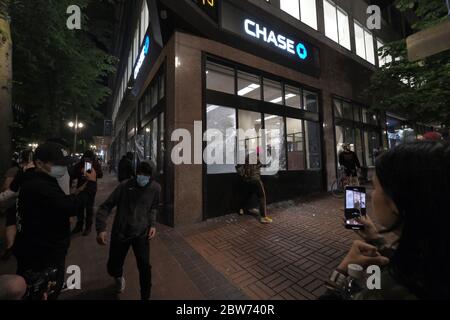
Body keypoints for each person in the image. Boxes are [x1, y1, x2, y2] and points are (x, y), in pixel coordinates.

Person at [323, 141, 450, 299]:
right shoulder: (433, 257)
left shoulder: (388, 290)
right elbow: (408, 263)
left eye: (375, 187)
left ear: (395, 202)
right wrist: (377, 240)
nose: (371, 194)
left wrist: (340, 273)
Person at [13, 142, 97, 300]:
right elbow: (70, 207)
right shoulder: (40, 186)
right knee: (44, 291)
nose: (62, 168)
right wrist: (91, 184)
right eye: (57, 164)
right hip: (43, 255)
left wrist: (79, 189)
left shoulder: (33, 180)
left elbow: (60, 202)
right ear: (39, 163)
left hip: (33, 248)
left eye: (64, 164)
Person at [96, 161, 160, 300]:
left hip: (142, 234)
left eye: (146, 174)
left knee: (145, 267)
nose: (142, 176)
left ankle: (145, 296)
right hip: (121, 232)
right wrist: (101, 228)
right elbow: (105, 207)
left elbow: (153, 207)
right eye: (140, 173)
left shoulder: (155, 188)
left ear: (152, 176)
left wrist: (153, 224)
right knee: (113, 265)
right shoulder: (125, 186)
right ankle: (118, 277)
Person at [0, 150, 34, 260]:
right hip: (25, 202)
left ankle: (11, 246)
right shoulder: (35, 171)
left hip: (14, 201)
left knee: (11, 222)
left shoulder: (14, 170)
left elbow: (8, 187)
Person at [70, 150, 103, 236]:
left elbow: (100, 174)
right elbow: (73, 174)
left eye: (89, 158)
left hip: (91, 189)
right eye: (86, 158)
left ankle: (88, 227)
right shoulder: (80, 164)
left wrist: (92, 171)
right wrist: (80, 171)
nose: (87, 160)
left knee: (89, 208)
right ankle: (79, 226)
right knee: (80, 207)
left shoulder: (95, 164)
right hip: (81, 189)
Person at [235, 149, 273, 224]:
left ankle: (241, 208)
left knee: (248, 195)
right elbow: (267, 164)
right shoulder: (259, 158)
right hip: (255, 179)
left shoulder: (248, 156)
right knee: (262, 197)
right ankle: (263, 217)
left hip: (247, 179)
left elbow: (242, 166)